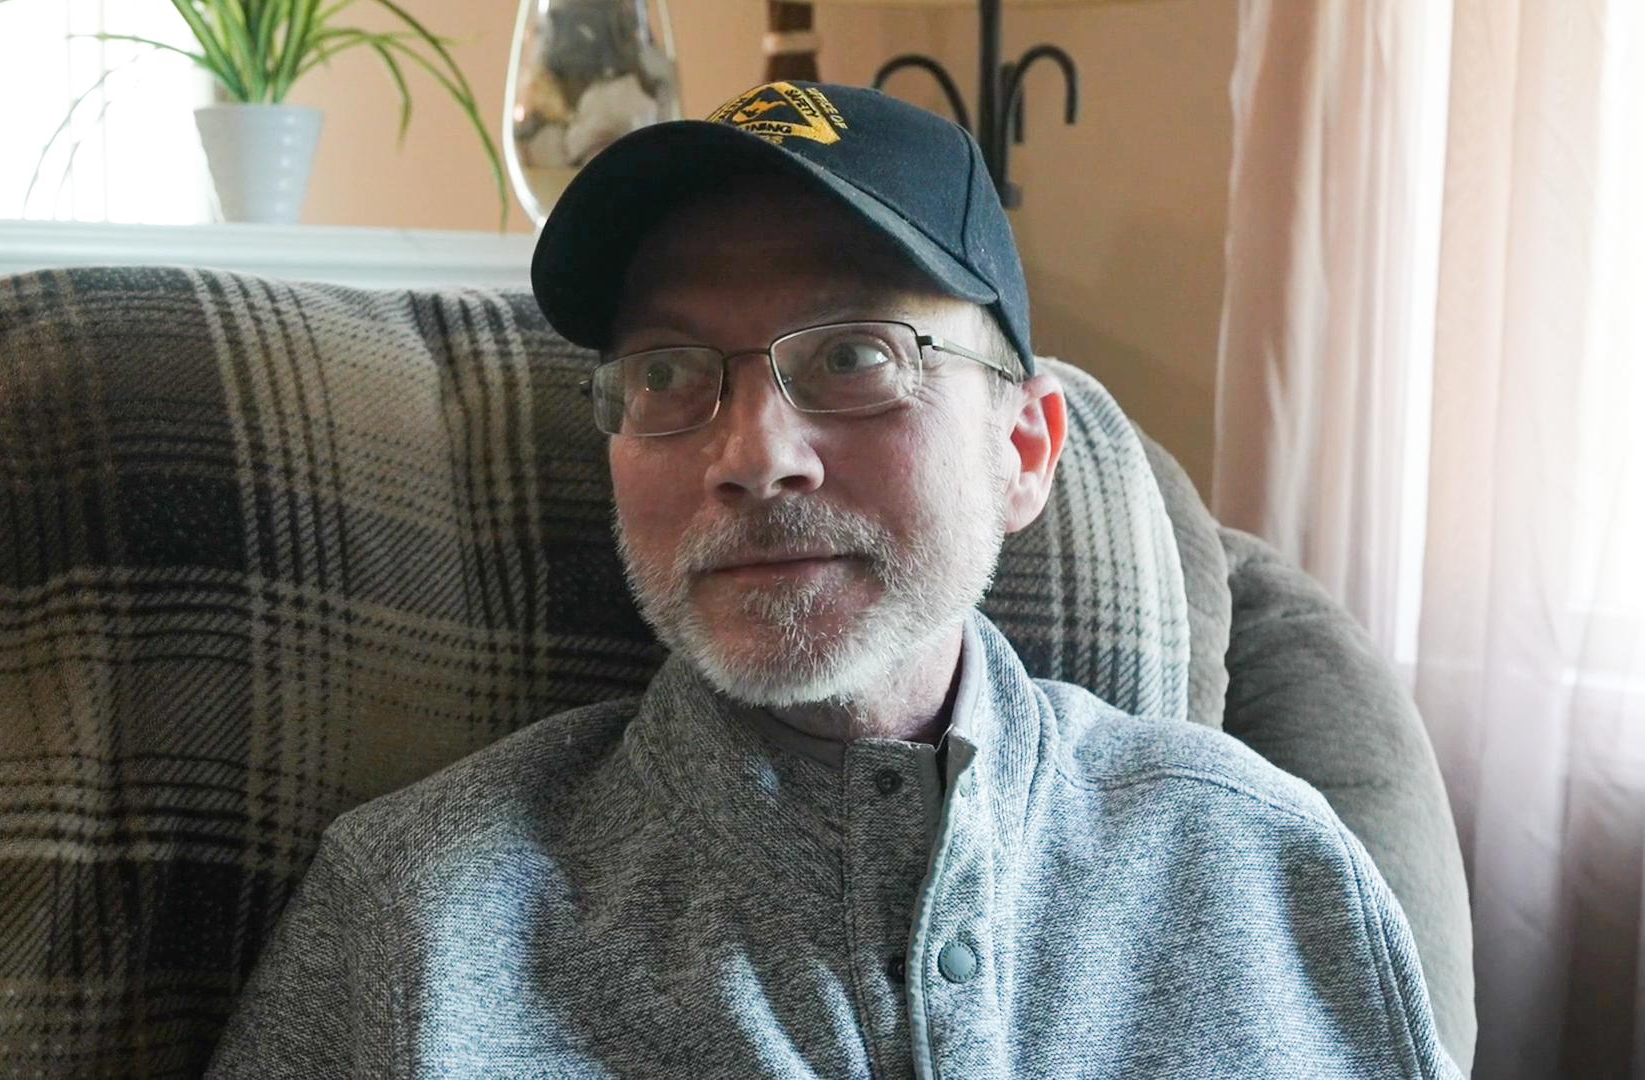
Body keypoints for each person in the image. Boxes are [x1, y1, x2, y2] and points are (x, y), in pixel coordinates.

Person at [207, 82, 1458, 1079]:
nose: (753, 456)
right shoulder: (420, 922)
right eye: (666, 373)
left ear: (1024, 451)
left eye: (855, 355)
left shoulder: (1265, 865)